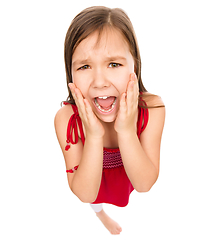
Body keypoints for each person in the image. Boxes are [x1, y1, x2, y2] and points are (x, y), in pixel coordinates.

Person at [54, 6, 165, 235]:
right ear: (70, 74)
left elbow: (144, 185)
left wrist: (125, 130)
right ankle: (101, 215)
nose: (99, 81)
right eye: (84, 66)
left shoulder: (152, 109)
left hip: (127, 177)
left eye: (114, 64)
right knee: (94, 202)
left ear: (134, 64)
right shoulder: (67, 119)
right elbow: (85, 192)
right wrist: (94, 135)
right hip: (91, 181)